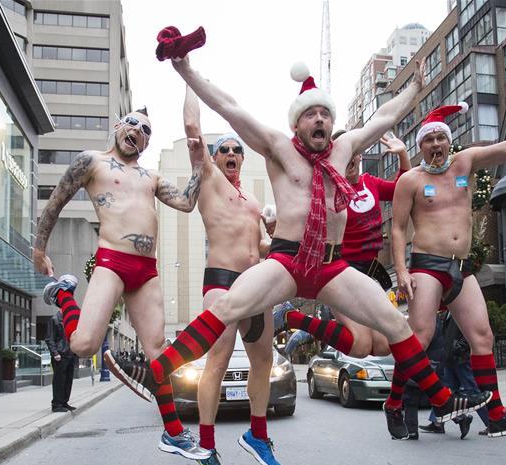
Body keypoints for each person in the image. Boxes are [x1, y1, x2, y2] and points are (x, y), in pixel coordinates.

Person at [152, 37, 488, 441]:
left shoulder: (342, 149)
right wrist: (186, 70)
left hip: (332, 266)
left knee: (395, 326)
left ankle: (442, 399)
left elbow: (382, 117)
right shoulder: (278, 147)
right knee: (227, 306)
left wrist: (415, 90)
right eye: (310, 115)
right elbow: (231, 107)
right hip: (289, 261)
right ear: (297, 123)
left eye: (325, 115)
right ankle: (157, 372)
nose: (319, 121)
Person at [391, 71, 506, 438]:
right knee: (419, 338)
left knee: (482, 337)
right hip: (427, 266)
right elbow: (396, 229)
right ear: (420, 146)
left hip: (462, 267)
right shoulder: (410, 181)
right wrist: (401, 271)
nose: (436, 144)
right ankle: (397, 403)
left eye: (441, 137)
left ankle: (497, 414)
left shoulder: (465, 163)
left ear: (449, 141)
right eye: (429, 140)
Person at [33, 106, 210, 462]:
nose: (138, 131)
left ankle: (174, 433)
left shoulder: (151, 177)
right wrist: (39, 249)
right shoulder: (91, 162)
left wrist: (197, 166)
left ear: (146, 143)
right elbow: (55, 202)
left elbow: (188, 203)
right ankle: (65, 295)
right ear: (117, 127)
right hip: (112, 261)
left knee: (159, 354)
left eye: (145, 130)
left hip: (146, 271)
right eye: (132, 123)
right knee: (83, 344)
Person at [181, 84, 280, 465]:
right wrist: (187, 77)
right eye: (224, 150)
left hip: (257, 284)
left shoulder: (254, 202)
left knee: (263, 363)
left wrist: (273, 234)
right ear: (215, 158)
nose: (232, 156)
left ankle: (258, 434)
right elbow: (192, 126)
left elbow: (263, 247)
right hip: (221, 282)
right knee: (217, 364)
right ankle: (206, 448)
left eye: (237, 151)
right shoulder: (208, 181)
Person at [273, 129, 411, 358]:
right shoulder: (325, 190)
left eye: (352, 152)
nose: (348, 158)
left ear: (359, 156)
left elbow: (402, 189)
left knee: (385, 345)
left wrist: (403, 155)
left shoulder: (371, 184)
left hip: (372, 273)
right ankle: (293, 317)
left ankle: (396, 395)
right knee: (359, 345)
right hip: (339, 272)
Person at [411, 312, 488, 439]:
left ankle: (490, 422)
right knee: (444, 390)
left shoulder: (462, 309)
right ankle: (437, 423)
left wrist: (459, 348)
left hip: (460, 359)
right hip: (449, 358)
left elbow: (470, 331)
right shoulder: (448, 312)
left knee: (472, 390)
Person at [45, 310, 79, 412]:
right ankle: (56, 404)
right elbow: (49, 338)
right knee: (59, 380)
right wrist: (55, 353)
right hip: (60, 355)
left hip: (70, 354)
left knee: (68, 380)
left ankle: (64, 402)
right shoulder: (55, 319)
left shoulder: (70, 321)